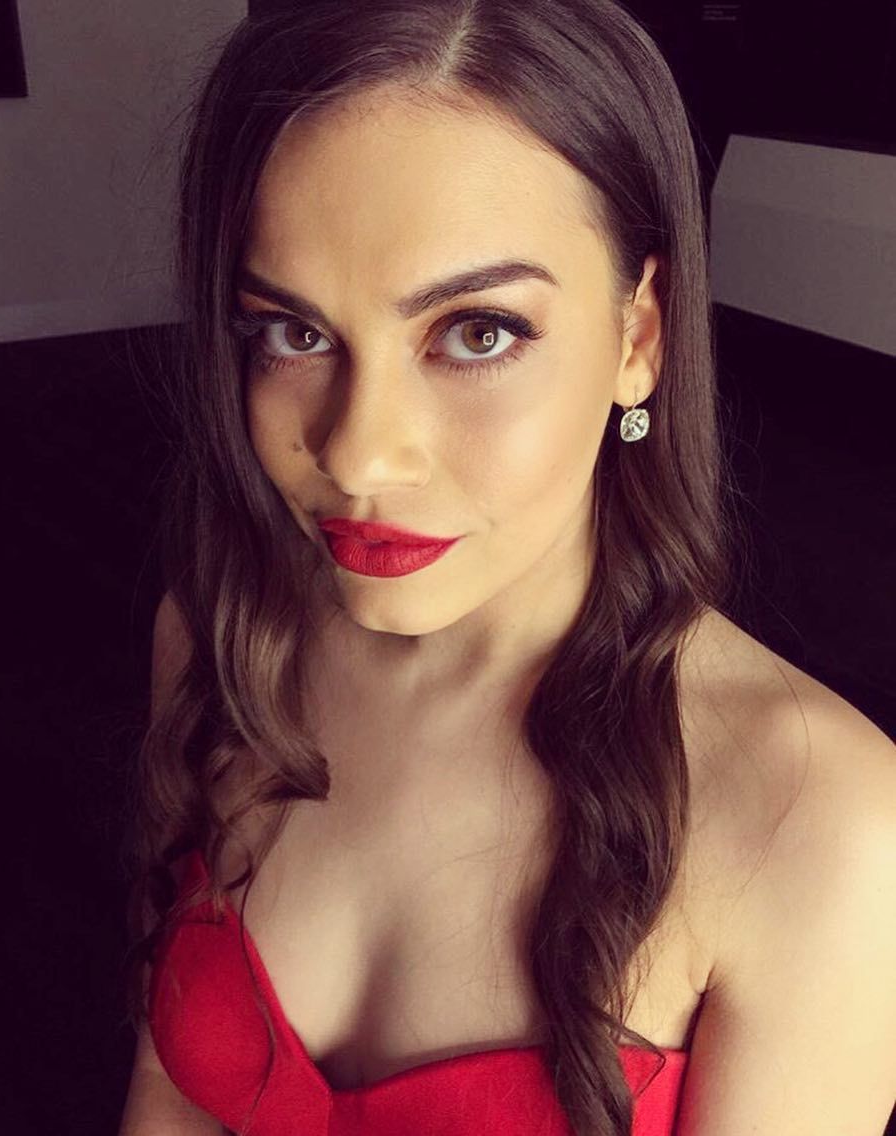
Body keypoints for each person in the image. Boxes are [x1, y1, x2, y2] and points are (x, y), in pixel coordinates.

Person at [116, 1, 896, 1134]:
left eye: (476, 332)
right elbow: (167, 1093)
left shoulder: (817, 817)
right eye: (293, 331)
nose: (358, 455)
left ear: (638, 338)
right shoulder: (216, 640)